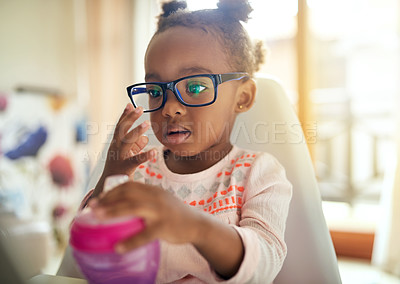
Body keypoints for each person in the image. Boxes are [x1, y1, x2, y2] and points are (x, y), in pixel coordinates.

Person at [81, 0, 292, 283]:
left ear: (242, 97)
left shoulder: (258, 172)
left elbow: (264, 263)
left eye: (195, 87)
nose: (169, 107)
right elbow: (88, 248)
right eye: (156, 91)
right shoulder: (139, 171)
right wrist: (111, 178)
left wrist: (196, 227)